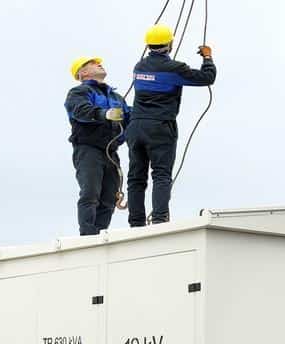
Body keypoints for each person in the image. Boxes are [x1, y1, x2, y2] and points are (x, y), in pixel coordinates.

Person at [126, 24, 217, 226]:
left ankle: (136, 223)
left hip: (136, 125)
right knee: (161, 174)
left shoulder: (139, 67)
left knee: (136, 177)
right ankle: (159, 220)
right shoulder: (175, 69)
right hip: (160, 127)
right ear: (169, 43)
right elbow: (207, 78)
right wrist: (207, 58)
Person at [64, 56, 131, 235]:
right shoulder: (78, 93)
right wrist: (104, 114)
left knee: (109, 197)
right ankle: (87, 237)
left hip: (111, 152)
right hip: (88, 149)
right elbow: (80, 110)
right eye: (92, 63)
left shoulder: (116, 97)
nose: (98, 64)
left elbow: (130, 119)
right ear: (83, 73)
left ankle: (99, 235)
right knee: (90, 193)